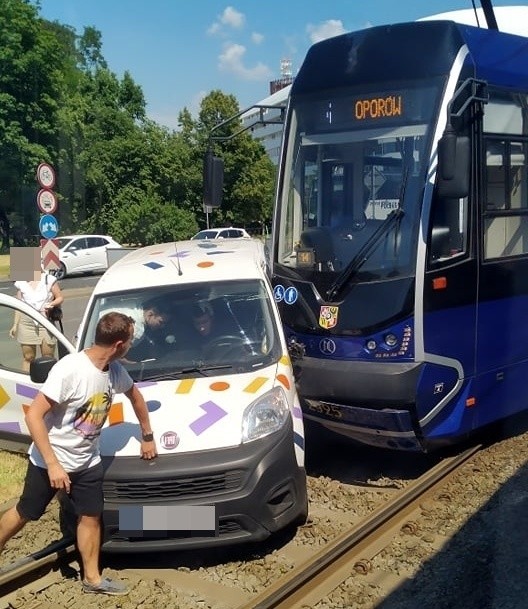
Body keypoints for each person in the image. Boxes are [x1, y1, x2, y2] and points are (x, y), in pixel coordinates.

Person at [0, 312, 157, 596]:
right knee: (26, 513)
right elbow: (33, 416)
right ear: (119, 343)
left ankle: (93, 579)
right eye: (131, 341)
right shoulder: (70, 369)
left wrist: (147, 435)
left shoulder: (115, 370)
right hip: (49, 461)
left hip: (86, 463)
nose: (132, 346)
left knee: (90, 516)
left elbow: (136, 397)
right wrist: (53, 465)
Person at [9, 269, 64, 371]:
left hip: (45, 322)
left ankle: (47, 381)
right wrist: (15, 324)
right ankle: (26, 383)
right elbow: (18, 306)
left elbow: (60, 297)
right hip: (26, 323)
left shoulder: (48, 279)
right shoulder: (21, 283)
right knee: (28, 357)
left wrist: (51, 304)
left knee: (47, 357)